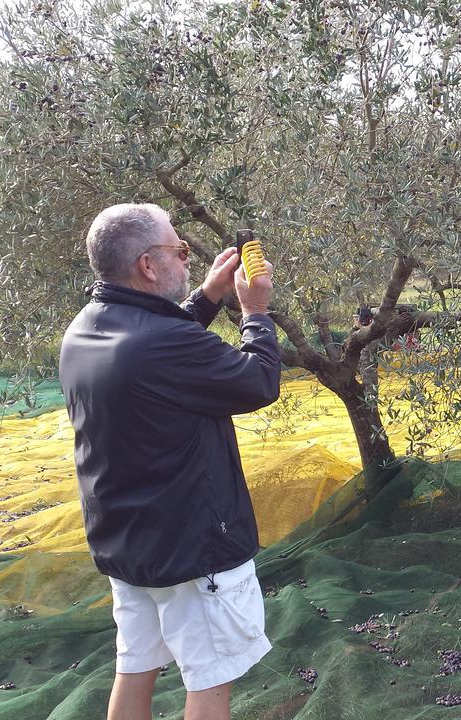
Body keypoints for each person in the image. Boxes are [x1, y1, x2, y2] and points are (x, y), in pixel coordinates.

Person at [59, 203, 281, 720]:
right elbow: (258, 382)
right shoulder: (164, 343)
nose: (186, 259)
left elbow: (159, 344)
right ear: (148, 265)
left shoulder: (86, 330)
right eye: (179, 251)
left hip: (131, 544)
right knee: (209, 680)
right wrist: (255, 313)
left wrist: (207, 295)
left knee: (134, 667)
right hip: (191, 551)